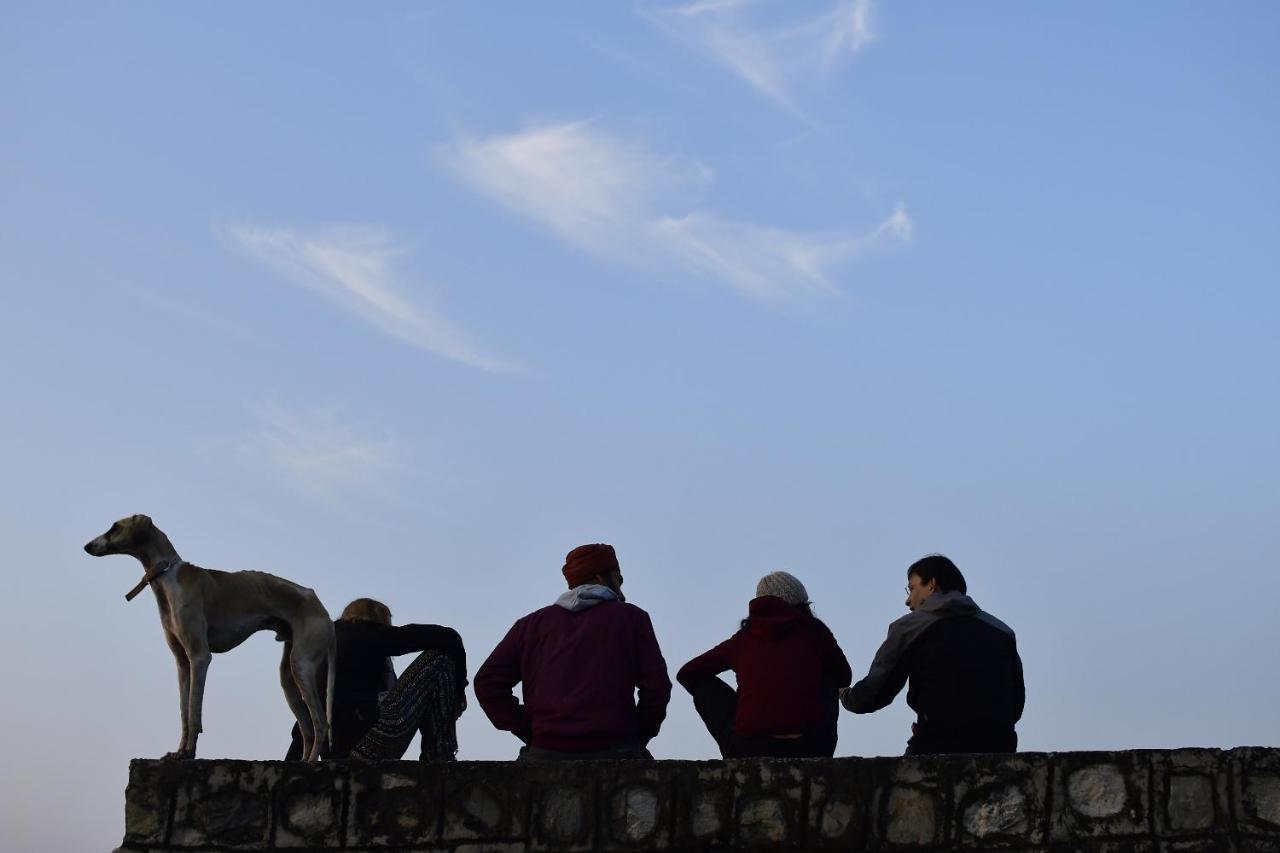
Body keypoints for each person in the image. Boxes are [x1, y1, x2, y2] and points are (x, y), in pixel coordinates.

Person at [473, 543, 672, 760]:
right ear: (599, 578)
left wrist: (530, 729)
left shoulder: (531, 625)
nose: (622, 593)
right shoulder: (632, 618)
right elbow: (657, 686)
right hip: (617, 747)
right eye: (619, 580)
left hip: (546, 751)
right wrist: (639, 734)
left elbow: (487, 682)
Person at [841, 555, 1024, 754]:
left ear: (932, 585)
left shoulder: (909, 627)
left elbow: (875, 692)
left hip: (937, 742)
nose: (908, 600)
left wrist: (845, 695)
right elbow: (1016, 702)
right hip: (999, 744)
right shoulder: (1003, 631)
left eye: (912, 588)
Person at [677, 571, 852, 758]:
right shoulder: (816, 631)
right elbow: (843, 676)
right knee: (829, 677)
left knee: (703, 685)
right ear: (802, 604)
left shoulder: (743, 640)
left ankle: (741, 742)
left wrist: (743, 705)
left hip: (748, 749)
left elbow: (688, 672)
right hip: (813, 746)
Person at [285, 597, 467, 761]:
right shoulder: (361, 631)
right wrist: (459, 690)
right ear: (376, 619)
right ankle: (438, 754)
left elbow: (307, 716)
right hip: (369, 739)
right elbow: (449, 637)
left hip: (338, 754)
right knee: (440, 658)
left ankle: (437, 755)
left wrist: (291, 767)